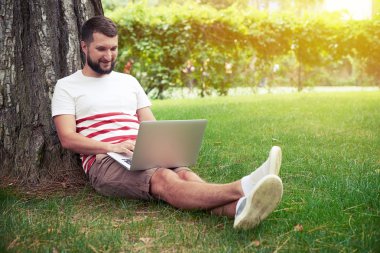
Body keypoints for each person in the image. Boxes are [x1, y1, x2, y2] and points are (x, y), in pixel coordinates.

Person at [51, 15, 284, 229]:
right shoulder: (67, 86)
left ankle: (241, 209)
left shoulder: (128, 82)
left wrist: (157, 147)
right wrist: (113, 147)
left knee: (186, 176)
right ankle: (244, 187)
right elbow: (67, 138)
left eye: (114, 48)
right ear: (84, 46)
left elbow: (150, 125)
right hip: (105, 160)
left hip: (142, 151)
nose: (108, 56)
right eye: (101, 49)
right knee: (164, 179)